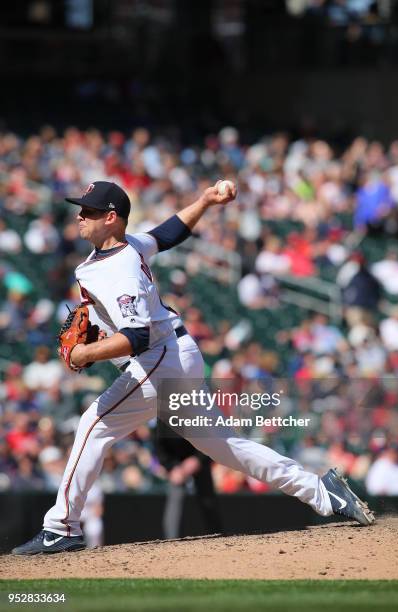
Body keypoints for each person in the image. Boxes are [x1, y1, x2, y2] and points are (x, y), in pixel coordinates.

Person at [12, 180, 374, 555]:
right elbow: (166, 235)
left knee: (92, 424)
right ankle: (322, 491)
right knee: (222, 444)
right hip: (177, 353)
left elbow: (136, 337)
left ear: (110, 217)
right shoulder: (127, 247)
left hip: (160, 357)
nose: (79, 216)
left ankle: (61, 527)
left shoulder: (118, 268)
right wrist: (203, 200)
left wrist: (86, 354)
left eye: (87, 210)